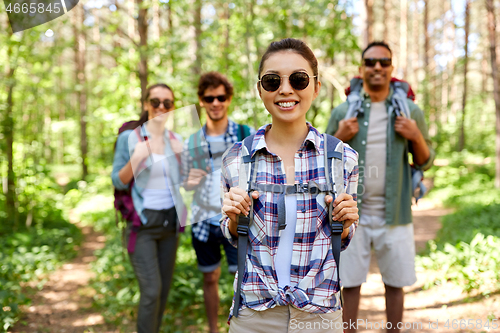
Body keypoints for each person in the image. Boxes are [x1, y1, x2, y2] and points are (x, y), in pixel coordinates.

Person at [220, 38, 359, 333]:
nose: (285, 89)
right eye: (272, 81)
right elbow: (233, 235)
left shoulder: (342, 157)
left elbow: (342, 239)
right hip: (254, 316)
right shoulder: (237, 157)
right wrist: (233, 220)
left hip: (319, 315)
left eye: (298, 79)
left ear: (316, 87)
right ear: (260, 89)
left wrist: (346, 223)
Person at [325, 41, 435, 333]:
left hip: (395, 213)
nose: (377, 67)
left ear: (391, 68)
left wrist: (415, 136)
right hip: (349, 214)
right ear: (361, 70)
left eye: (383, 62)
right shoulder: (343, 112)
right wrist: (339, 134)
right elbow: (320, 163)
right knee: (349, 284)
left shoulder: (409, 111)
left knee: (395, 282)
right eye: (371, 62)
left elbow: (424, 162)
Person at [182, 72, 254, 333]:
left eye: (220, 97)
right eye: (209, 98)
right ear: (201, 101)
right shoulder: (192, 141)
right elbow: (185, 183)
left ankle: (242, 326)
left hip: (238, 218)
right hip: (204, 221)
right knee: (209, 278)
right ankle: (214, 329)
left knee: (246, 279)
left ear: (229, 99)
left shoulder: (246, 135)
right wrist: (189, 180)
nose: (215, 103)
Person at [111, 83, 185, 333]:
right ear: (146, 104)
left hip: (170, 223)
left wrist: (182, 158)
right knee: (151, 291)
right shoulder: (129, 139)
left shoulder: (176, 140)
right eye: (155, 102)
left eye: (167, 103)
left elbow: (188, 182)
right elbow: (117, 180)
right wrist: (136, 158)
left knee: (163, 291)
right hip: (142, 225)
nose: (161, 107)